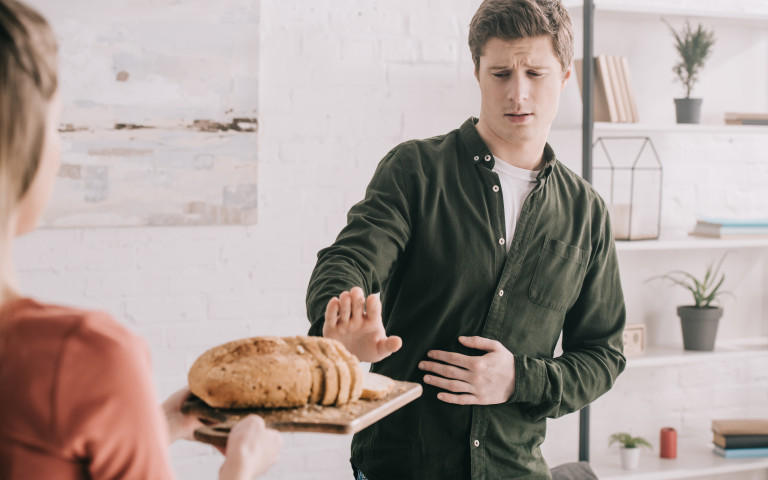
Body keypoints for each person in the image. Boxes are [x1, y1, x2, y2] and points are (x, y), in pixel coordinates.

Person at [305, 0, 626, 478]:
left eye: (535, 73)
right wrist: (341, 315)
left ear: (563, 77)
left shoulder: (587, 212)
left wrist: (521, 378)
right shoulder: (415, 169)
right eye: (501, 74)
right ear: (477, 73)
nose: (518, 93)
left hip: (514, 467)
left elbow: (603, 354)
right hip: (403, 464)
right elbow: (350, 257)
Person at [0, 1, 282, 478]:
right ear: (21, 142)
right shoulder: (83, 356)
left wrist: (154, 424)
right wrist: (242, 466)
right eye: (58, 124)